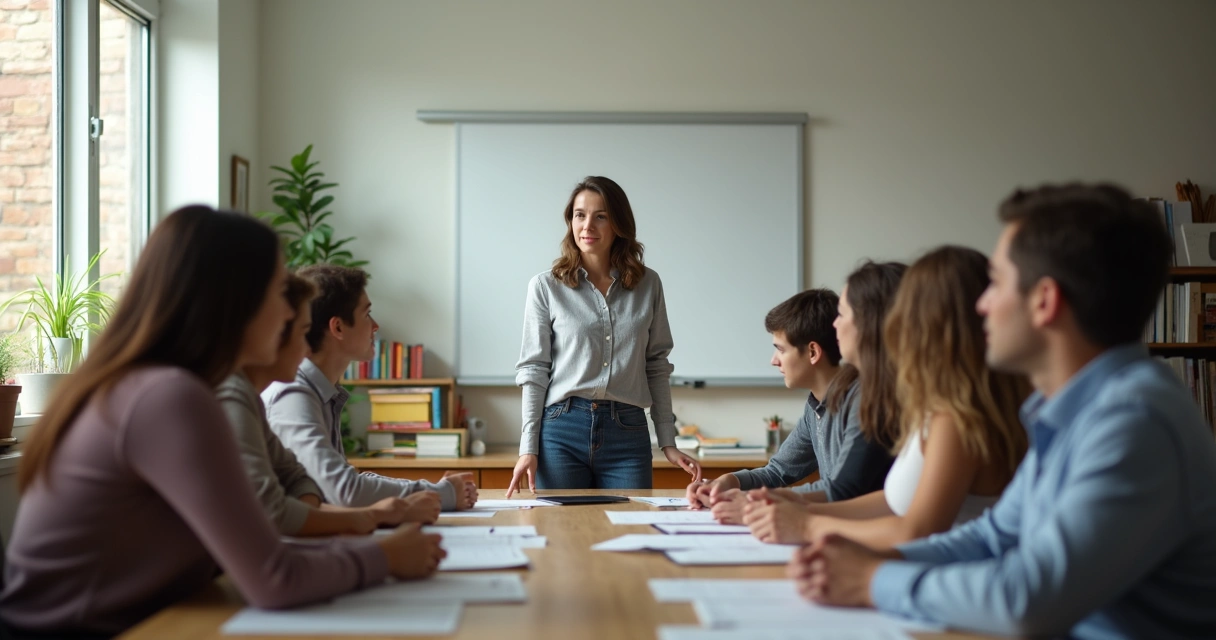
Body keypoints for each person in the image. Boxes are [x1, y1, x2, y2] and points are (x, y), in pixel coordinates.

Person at [790, 184, 1216, 638]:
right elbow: (992, 536)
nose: (981, 304)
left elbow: (1027, 599)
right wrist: (875, 560)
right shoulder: (1070, 410)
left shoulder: (1134, 421)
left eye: (996, 283)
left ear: (1045, 301)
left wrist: (872, 580)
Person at [0, 207, 445, 638]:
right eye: (277, 292)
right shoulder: (170, 397)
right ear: (235, 302)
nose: (291, 314)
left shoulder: (175, 386)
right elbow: (274, 578)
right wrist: (384, 557)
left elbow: (268, 528)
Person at [746, 246, 1029, 548]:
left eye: (842, 314)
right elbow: (894, 502)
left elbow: (916, 529)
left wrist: (807, 524)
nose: (835, 325)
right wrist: (795, 508)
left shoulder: (953, 414)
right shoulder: (931, 403)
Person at [508, 176, 701, 495]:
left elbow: (656, 365)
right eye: (579, 215)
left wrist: (668, 441)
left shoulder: (648, 285)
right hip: (561, 430)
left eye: (601, 216)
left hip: (628, 432)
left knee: (631, 538)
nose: (587, 226)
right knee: (562, 539)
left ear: (619, 224)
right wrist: (527, 448)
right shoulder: (545, 287)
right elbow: (534, 370)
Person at [218, 272, 440, 536]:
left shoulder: (275, 394)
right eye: (302, 332)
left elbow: (303, 485)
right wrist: (383, 525)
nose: (306, 349)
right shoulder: (288, 394)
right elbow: (333, 495)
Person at [264, 264, 477, 511]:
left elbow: (344, 481)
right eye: (367, 314)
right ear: (338, 327)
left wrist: (433, 490)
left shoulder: (318, 390)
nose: (375, 325)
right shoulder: (292, 395)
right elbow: (344, 491)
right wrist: (443, 494)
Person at [685, 289, 893, 521]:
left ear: (813, 352)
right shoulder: (814, 406)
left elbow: (841, 489)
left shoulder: (862, 398)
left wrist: (759, 501)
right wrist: (728, 481)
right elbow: (779, 471)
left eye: (781, 349)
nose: (773, 361)